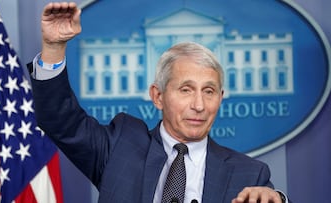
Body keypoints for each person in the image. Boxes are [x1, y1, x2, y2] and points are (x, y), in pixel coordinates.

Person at [29, 2, 290, 203]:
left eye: (209, 91)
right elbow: (60, 120)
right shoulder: (119, 148)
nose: (199, 105)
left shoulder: (250, 174)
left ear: (220, 99)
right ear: (158, 96)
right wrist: (53, 48)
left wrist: (278, 199)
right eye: (186, 90)